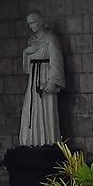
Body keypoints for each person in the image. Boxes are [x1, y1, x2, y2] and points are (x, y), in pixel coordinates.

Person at [19, 11, 65, 146]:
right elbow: (27, 69)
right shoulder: (32, 41)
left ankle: (48, 140)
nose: (31, 26)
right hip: (34, 78)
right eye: (29, 23)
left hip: (45, 76)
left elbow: (56, 61)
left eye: (33, 22)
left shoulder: (50, 39)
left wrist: (52, 81)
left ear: (40, 22)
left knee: (46, 109)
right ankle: (33, 140)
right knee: (31, 109)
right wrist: (26, 53)